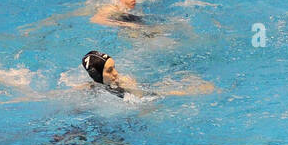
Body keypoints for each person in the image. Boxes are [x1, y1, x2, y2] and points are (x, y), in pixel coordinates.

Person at [81, 51, 215, 98]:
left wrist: (190, 91)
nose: (116, 73)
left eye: (114, 68)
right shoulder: (89, 89)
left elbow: (149, 95)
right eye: (109, 70)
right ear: (97, 75)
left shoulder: (124, 83)